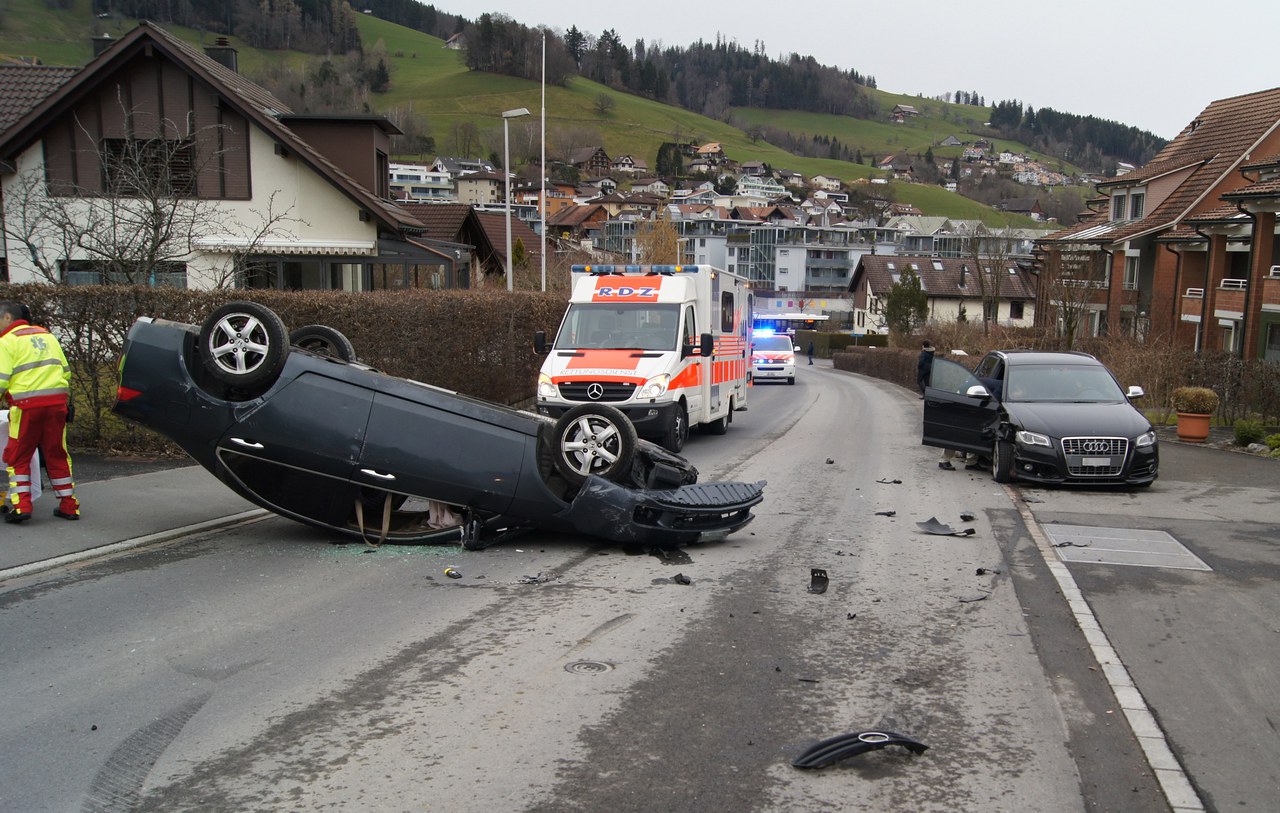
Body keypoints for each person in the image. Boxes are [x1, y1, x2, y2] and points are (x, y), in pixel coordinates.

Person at [0, 301, 79, 522]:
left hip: (26, 408)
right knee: (57, 454)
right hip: (56, 405)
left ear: (7, 318)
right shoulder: (48, 336)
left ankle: (22, 506)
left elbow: (1, 380)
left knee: (18, 455)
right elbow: (66, 372)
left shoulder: (7, 342)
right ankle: (69, 505)